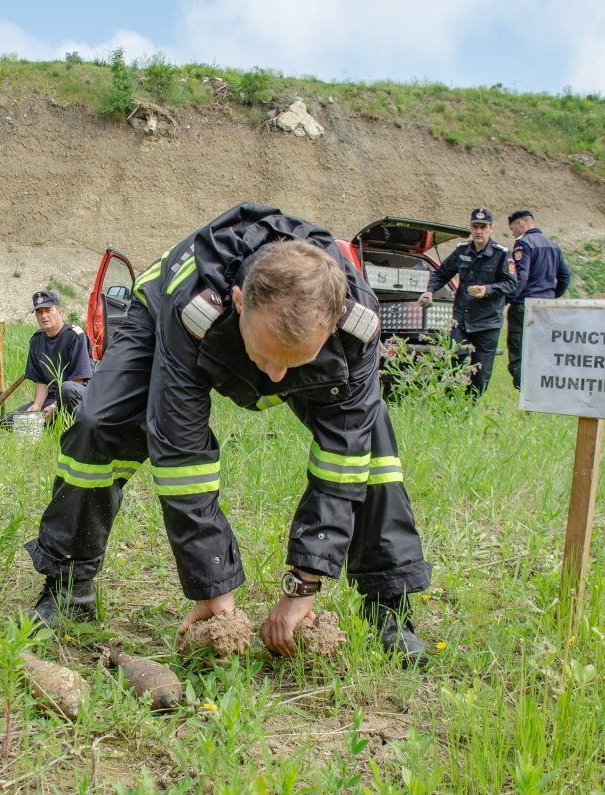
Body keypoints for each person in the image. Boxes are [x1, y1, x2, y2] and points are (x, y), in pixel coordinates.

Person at [23, 203, 432, 664]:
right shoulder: (194, 309)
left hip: (282, 336)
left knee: (371, 450)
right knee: (99, 425)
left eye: (293, 362)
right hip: (163, 312)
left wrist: (304, 583)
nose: (276, 379)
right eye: (268, 356)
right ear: (239, 301)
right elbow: (182, 454)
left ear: (334, 322)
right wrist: (213, 585)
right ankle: (68, 586)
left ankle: (390, 606)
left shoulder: (357, 324)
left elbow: (344, 457)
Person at [418, 208, 517, 400]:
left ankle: (468, 406)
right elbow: (441, 273)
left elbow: (511, 283)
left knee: (481, 375)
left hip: (488, 323)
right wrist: (430, 291)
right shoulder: (462, 251)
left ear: (491, 228)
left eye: (483, 227)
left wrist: (487, 290)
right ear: (471, 227)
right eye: (475, 226)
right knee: (451, 365)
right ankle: (450, 404)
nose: (479, 231)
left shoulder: (501, 254)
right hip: (461, 321)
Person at [1, 290, 94, 427]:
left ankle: (73, 426)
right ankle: (50, 424)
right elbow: (41, 380)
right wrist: (37, 405)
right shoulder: (36, 340)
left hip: (78, 397)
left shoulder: (75, 336)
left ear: (60, 312)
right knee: (10, 421)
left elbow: (77, 380)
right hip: (53, 397)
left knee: (67, 388)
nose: (44, 316)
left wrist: (55, 407)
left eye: (48, 310)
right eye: (39, 312)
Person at [505, 210, 573, 390]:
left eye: (512, 228)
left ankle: (525, 391)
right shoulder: (553, 246)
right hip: (546, 308)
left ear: (520, 224)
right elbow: (565, 277)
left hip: (524, 306)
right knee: (541, 351)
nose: (512, 233)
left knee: (518, 352)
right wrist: (551, 296)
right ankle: (540, 390)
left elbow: (522, 276)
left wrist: (510, 298)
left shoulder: (523, 244)